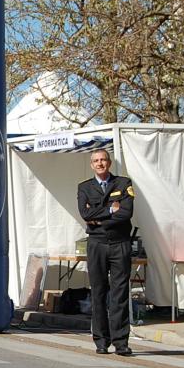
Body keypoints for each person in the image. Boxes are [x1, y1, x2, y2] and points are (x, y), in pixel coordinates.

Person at [77, 149, 134, 356]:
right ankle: (101, 341)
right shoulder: (84, 187)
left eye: (103, 160)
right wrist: (111, 209)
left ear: (109, 162)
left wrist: (98, 217)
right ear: (92, 165)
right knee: (99, 293)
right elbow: (85, 213)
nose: (100, 163)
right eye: (96, 161)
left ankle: (121, 342)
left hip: (120, 243)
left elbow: (127, 213)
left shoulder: (123, 183)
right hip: (97, 244)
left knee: (119, 294)